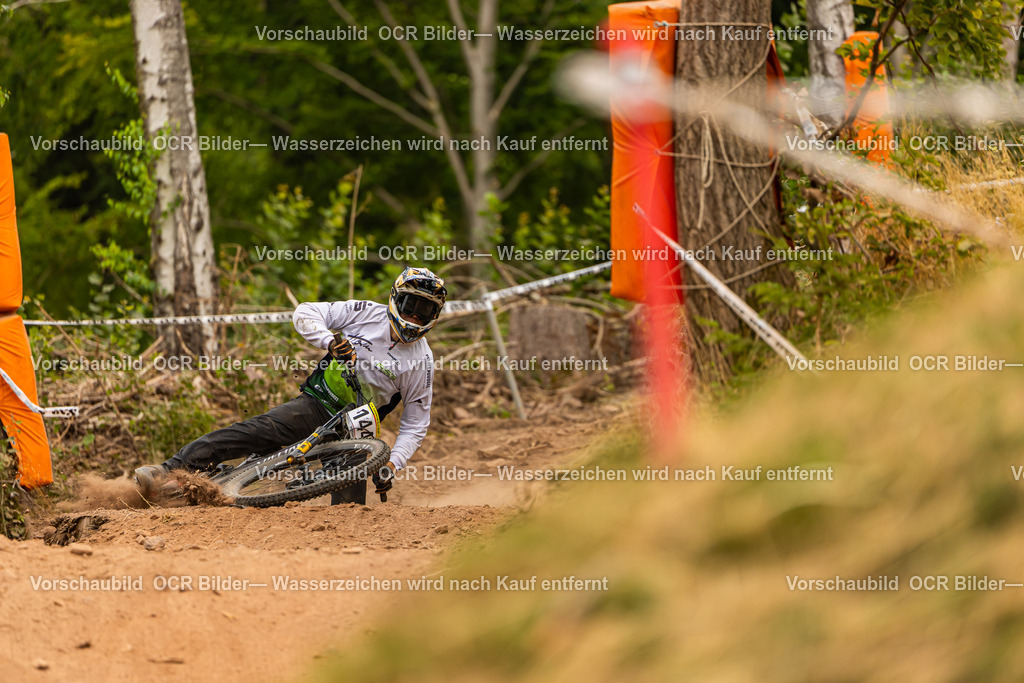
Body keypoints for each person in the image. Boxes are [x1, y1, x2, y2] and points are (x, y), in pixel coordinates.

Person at [134, 266, 447, 504]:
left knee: (350, 510)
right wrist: (328, 340)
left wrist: (392, 463)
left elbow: (416, 423)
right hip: (316, 404)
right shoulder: (365, 313)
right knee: (255, 432)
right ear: (395, 300)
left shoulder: (422, 361)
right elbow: (306, 311)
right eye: (410, 306)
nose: (416, 318)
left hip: (356, 429)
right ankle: (164, 471)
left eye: (425, 312)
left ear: (435, 315)